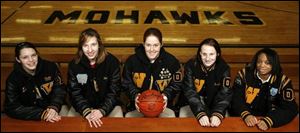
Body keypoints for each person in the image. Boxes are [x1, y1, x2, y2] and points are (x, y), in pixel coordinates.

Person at [230, 48, 298, 131]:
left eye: (267, 63)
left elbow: (290, 109)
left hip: (271, 121)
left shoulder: (283, 81)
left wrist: (270, 120)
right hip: (244, 118)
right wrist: (245, 114)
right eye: (259, 62)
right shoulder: (244, 74)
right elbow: (236, 99)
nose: (262, 65)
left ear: (274, 64)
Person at [67, 28, 123, 128]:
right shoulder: (75, 65)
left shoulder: (112, 62)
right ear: (81, 48)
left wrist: (102, 110)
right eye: (85, 46)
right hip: (82, 108)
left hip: (109, 107)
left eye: (93, 44)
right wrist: (86, 111)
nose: (90, 50)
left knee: (118, 127)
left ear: (99, 45)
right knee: (70, 127)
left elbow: (114, 92)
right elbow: (75, 93)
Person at [122, 27, 182, 117]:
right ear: (143, 44)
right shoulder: (132, 61)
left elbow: (177, 84)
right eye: (148, 45)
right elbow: (126, 83)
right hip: (137, 106)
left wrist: (166, 96)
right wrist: (135, 96)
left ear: (161, 44)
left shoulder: (172, 62)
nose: (151, 49)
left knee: (170, 119)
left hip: (163, 106)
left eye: (155, 45)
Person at [4, 42, 67, 122]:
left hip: (55, 107)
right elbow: (12, 107)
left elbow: (59, 89)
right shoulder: (13, 79)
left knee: (64, 124)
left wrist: (54, 106)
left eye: (33, 55)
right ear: (18, 59)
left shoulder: (50, 67)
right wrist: (41, 114)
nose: (31, 60)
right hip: (29, 114)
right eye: (25, 57)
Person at [179, 38, 232, 127]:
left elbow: (225, 94)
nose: (207, 58)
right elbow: (190, 91)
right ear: (200, 53)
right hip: (191, 105)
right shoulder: (191, 65)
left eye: (211, 54)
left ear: (217, 54)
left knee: (224, 126)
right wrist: (200, 113)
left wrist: (217, 113)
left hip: (214, 106)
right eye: (204, 54)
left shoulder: (224, 68)